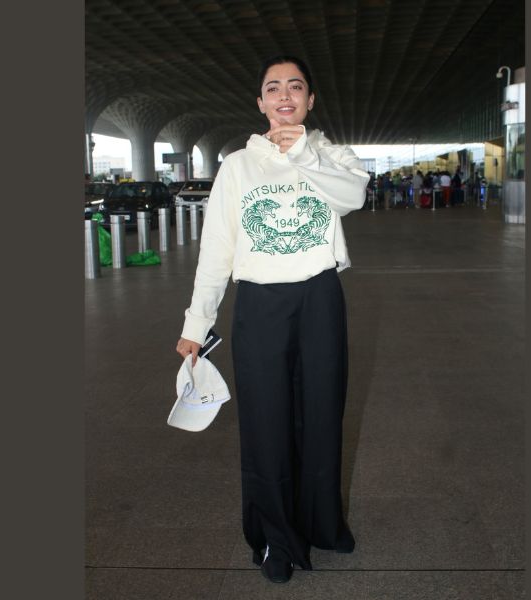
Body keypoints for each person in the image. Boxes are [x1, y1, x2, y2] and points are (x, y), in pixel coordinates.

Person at [175, 55, 368, 585]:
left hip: (320, 297)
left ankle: (323, 523)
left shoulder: (332, 155)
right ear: (260, 102)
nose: (285, 96)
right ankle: (274, 538)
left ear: (310, 100)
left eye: (296, 87)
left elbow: (352, 197)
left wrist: (302, 152)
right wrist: (196, 323)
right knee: (266, 423)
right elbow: (217, 248)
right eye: (274, 88)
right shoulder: (238, 166)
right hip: (260, 303)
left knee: (323, 415)